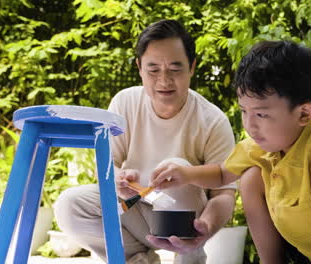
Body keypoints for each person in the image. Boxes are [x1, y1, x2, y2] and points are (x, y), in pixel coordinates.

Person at [150, 40, 311, 264]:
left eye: (261, 114)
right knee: (251, 177)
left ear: (304, 113)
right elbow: (220, 174)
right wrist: (184, 174)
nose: (250, 124)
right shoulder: (264, 143)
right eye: (244, 111)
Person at [54, 19, 236, 264]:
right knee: (70, 204)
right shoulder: (124, 103)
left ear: (192, 67)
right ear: (139, 67)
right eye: (153, 70)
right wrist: (116, 179)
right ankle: (139, 260)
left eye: (175, 69)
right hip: (135, 206)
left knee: (175, 165)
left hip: (184, 218)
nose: (164, 80)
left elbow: (224, 195)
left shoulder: (212, 120)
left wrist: (206, 226)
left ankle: (190, 257)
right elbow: (107, 167)